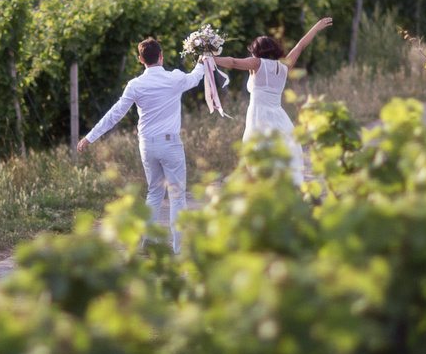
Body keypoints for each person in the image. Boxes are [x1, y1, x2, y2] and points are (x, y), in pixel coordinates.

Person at [76, 36, 226, 249]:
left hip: (146, 145)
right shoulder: (174, 78)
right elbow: (195, 78)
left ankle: (147, 242)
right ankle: (179, 248)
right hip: (170, 143)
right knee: (176, 196)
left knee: (154, 192)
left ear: (140, 59)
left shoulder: (135, 85)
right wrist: (203, 61)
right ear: (161, 56)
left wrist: (89, 137)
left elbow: (115, 113)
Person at [206, 17, 333, 186]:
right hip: (279, 116)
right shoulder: (284, 65)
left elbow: (233, 62)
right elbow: (300, 46)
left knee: (256, 153)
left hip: (259, 116)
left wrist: (210, 59)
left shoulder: (257, 63)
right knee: (282, 151)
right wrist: (315, 28)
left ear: (257, 51)